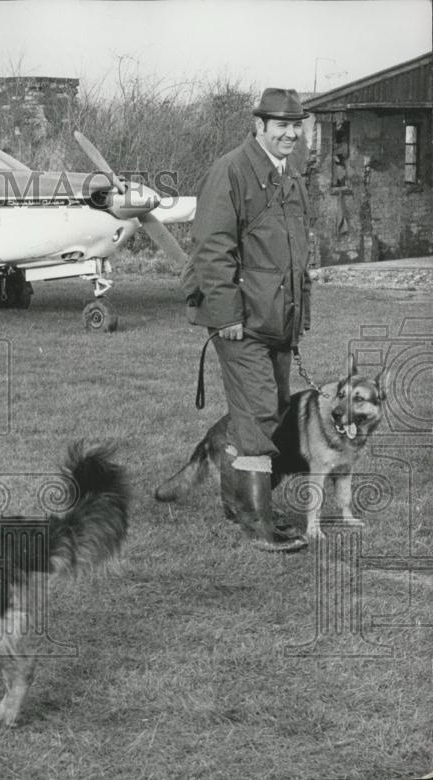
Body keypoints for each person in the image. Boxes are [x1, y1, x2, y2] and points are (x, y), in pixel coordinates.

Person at [183, 88, 313, 553]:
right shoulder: (231, 170)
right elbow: (211, 249)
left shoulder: (290, 175)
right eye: (281, 125)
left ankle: (236, 501)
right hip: (241, 320)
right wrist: (226, 316)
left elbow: (292, 255)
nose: (290, 134)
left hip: (277, 318)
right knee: (259, 410)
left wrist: (298, 315)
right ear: (259, 126)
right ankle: (257, 522)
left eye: (296, 125)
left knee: (271, 408)